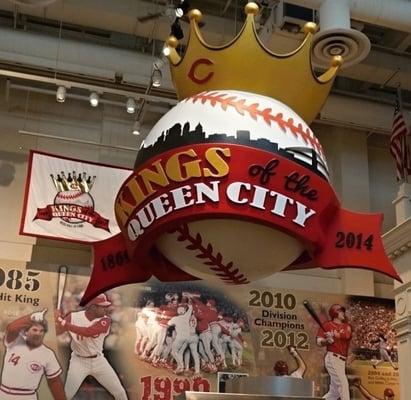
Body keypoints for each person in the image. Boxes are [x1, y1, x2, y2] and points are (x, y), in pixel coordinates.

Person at [55, 293, 128, 400]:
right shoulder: (73, 317)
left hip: (99, 361)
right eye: (103, 306)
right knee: (67, 395)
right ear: (93, 307)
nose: (106, 309)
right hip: (78, 361)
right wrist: (55, 321)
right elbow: (57, 332)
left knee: (120, 393)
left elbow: (88, 332)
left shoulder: (105, 320)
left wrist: (63, 322)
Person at [0, 309, 65, 399]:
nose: (38, 333)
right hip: (2, 394)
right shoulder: (14, 342)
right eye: (34, 330)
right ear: (26, 332)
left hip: (26, 396)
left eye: (41, 331)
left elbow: (54, 382)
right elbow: (11, 328)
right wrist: (31, 317)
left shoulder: (48, 354)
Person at [316, 304, 352, 400]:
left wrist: (334, 336)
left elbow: (346, 336)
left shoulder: (346, 326)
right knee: (343, 384)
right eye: (341, 311)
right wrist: (326, 341)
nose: (343, 313)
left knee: (334, 393)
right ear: (335, 313)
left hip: (342, 361)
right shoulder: (326, 325)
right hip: (333, 358)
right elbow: (319, 342)